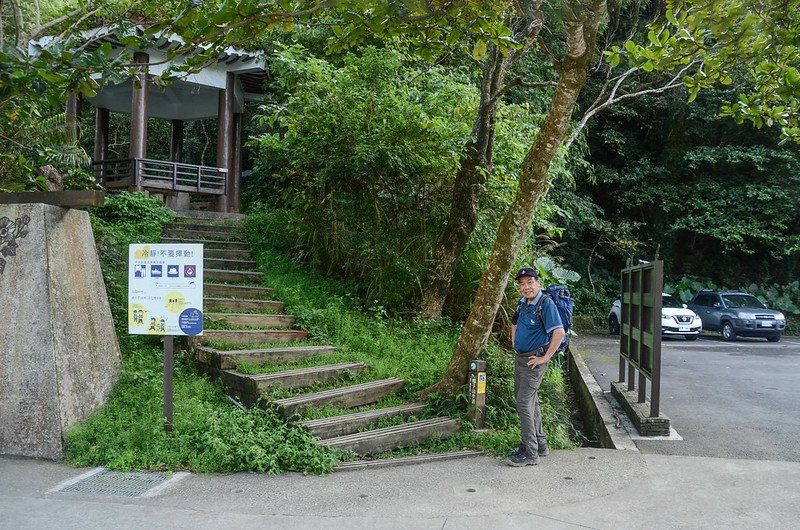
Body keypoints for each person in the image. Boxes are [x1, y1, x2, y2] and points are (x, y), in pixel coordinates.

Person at [506, 267, 565, 467]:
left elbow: (559, 333)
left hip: (534, 360)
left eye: (530, 282)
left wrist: (545, 358)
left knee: (523, 403)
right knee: (530, 402)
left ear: (538, 283)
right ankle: (540, 444)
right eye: (522, 284)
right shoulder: (522, 303)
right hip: (520, 358)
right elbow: (514, 322)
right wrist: (514, 339)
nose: (526, 287)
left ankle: (530, 452)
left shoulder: (545, 304)